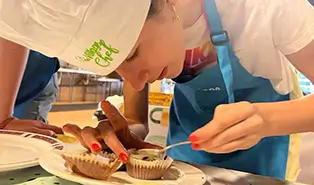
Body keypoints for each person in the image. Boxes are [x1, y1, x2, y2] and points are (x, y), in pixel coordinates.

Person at [0, 0, 313, 181]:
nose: (136, 82)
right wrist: (124, 141)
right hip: (188, 157)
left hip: (269, 153)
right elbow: (138, 119)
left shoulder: (261, 7)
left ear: (167, 3)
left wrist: (266, 118)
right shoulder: (140, 38)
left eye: (133, 54)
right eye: (118, 69)